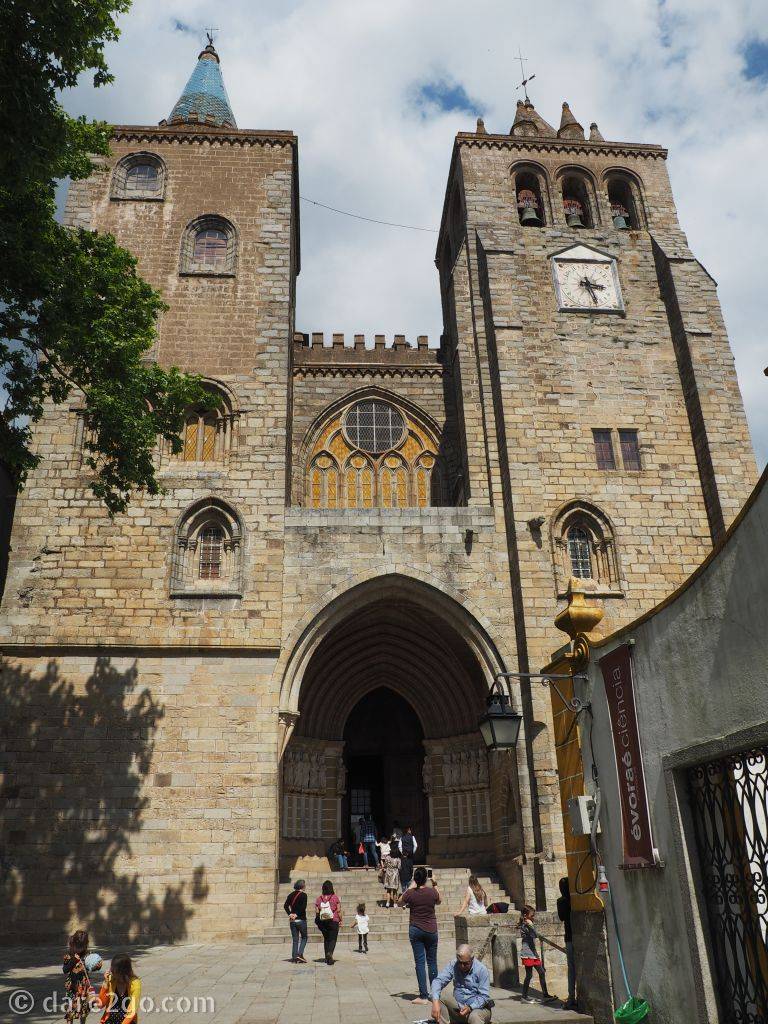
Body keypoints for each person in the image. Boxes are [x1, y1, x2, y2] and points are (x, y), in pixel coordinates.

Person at [398, 865, 441, 1005]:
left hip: (416, 929)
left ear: (415, 879)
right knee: (432, 962)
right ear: (426, 879)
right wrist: (435, 884)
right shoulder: (432, 892)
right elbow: (439, 900)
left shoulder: (410, 893)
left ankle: (423, 996)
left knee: (420, 963)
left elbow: (399, 902)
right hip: (431, 929)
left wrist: (410, 886)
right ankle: (435, 994)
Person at [430, 943, 492, 1023]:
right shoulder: (454, 964)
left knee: (473, 1018)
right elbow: (438, 981)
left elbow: (484, 997)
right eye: (460, 962)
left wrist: (470, 1007)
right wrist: (435, 1002)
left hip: (478, 1008)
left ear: (472, 959)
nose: (462, 966)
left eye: (465, 963)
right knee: (438, 995)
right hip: (459, 1006)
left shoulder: (481, 970)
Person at [518, 905, 555, 1004]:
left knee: (542, 972)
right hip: (527, 953)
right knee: (529, 975)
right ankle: (524, 997)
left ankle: (545, 994)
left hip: (533, 953)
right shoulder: (525, 925)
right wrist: (530, 924)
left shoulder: (528, 924)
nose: (533, 917)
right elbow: (535, 935)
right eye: (532, 915)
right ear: (526, 916)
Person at [96, 954, 141, 1024]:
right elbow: (100, 1004)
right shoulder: (111, 980)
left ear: (122, 971)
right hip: (110, 1020)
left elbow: (132, 1010)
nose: (111, 970)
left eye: (114, 969)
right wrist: (105, 984)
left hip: (128, 1022)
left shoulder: (135, 983)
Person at [62, 930, 94, 1024]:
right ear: (74, 943)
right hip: (72, 986)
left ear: (86, 945)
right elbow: (65, 970)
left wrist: (96, 965)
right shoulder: (69, 955)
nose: (80, 950)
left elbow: (91, 967)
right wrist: (74, 960)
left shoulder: (88, 955)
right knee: (70, 1009)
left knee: (84, 1010)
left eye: (82, 947)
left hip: (84, 987)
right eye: (78, 947)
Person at [557, 876, 576, 1009]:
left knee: (572, 968)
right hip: (575, 935)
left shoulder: (561, 901)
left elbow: (562, 917)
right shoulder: (575, 898)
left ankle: (571, 997)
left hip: (569, 936)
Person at [314, 879, 343, 965]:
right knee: (333, 939)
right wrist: (341, 919)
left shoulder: (319, 899)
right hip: (333, 920)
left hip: (323, 922)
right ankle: (330, 953)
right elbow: (338, 910)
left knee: (326, 939)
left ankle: (327, 957)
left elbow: (316, 911)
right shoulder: (335, 897)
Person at [284, 878, 308, 963]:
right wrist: (296, 915)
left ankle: (294, 957)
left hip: (292, 921)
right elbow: (303, 907)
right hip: (301, 919)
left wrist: (290, 914)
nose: (305, 886)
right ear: (302, 886)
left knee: (295, 939)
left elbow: (285, 906)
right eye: (304, 885)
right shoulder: (304, 895)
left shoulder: (290, 895)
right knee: (304, 937)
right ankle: (299, 954)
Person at [381, 837, 402, 908]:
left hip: (388, 874)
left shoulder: (387, 858)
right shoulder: (398, 859)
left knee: (388, 890)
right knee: (395, 890)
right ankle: (395, 903)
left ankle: (387, 902)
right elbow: (399, 867)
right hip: (395, 875)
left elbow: (385, 865)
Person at [399, 825, 417, 893]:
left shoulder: (402, 838)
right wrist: (412, 853)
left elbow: (399, 846)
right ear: (409, 830)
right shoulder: (412, 837)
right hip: (410, 857)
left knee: (404, 868)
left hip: (404, 857)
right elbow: (415, 845)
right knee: (410, 868)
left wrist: (403, 853)